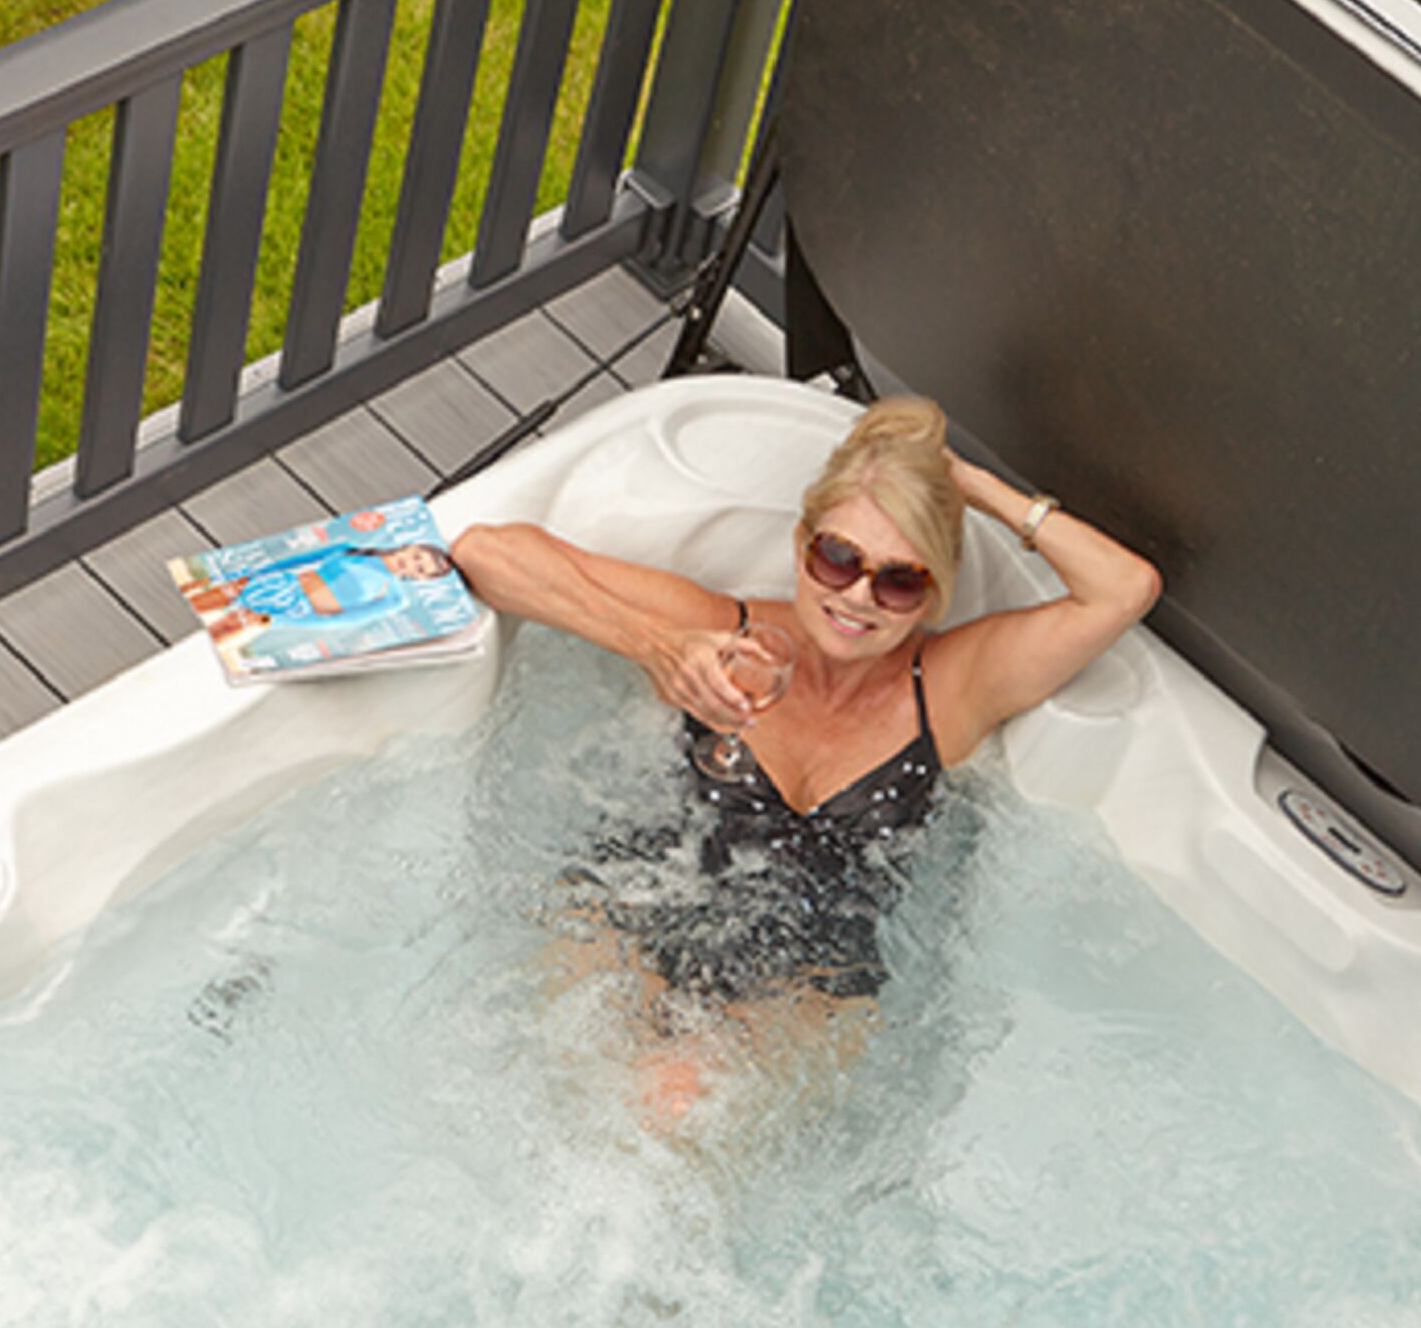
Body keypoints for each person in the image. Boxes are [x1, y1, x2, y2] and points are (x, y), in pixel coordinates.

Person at [453, 395, 1159, 1098]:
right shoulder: (719, 632)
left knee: (677, 1100)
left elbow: (1124, 590)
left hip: (804, 985)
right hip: (633, 908)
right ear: (801, 546)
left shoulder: (950, 689)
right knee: (554, 1086)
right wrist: (657, 648)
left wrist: (972, 486)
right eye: (838, 558)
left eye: (900, 579)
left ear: (935, 593)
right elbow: (488, 553)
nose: (859, 597)